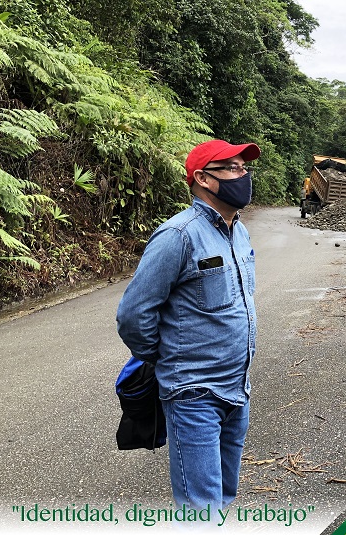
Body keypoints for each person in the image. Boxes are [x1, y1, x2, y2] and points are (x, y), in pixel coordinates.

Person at [116, 139, 261, 510]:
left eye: (244, 168)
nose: (242, 176)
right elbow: (134, 314)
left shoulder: (238, 232)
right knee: (201, 507)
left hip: (237, 388)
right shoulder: (177, 235)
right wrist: (168, 359)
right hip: (194, 393)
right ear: (202, 178)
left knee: (224, 496)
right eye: (232, 168)